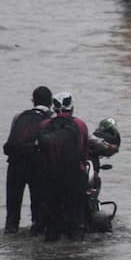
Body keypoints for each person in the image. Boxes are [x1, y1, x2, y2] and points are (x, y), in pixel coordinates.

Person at [2, 86, 54, 235]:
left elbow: (11, 141)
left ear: (33, 101)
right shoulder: (51, 119)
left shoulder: (18, 117)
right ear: (50, 102)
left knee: (12, 210)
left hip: (15, 164)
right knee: (38, 209)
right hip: (36, 165)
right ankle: (35, 237)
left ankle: (10, 236)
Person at [39, 92, 90, 240]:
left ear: (54, 108)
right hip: (75, 178)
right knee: (77, 219)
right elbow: (84, 153)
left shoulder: (45, 125)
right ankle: (76, 249)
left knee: (52, 221)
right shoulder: (80, 125)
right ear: (72, 108)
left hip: (50, 179)